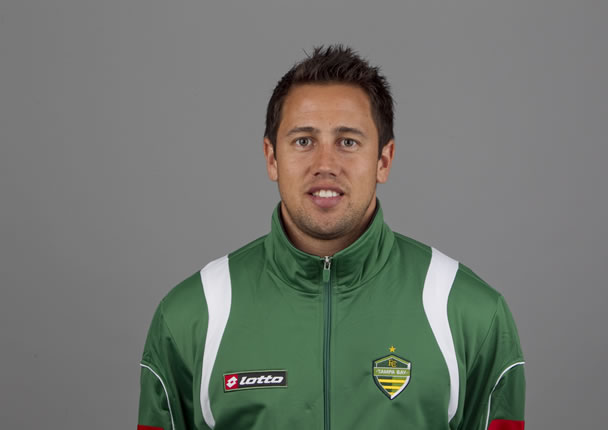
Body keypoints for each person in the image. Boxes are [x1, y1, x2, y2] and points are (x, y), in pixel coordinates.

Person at [137, 45, 525, 430]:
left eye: (348, 142)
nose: (325, 165)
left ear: (384, 160)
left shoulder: (469, 315)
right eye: (303, 141)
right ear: (272, 158)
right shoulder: (193, 317)